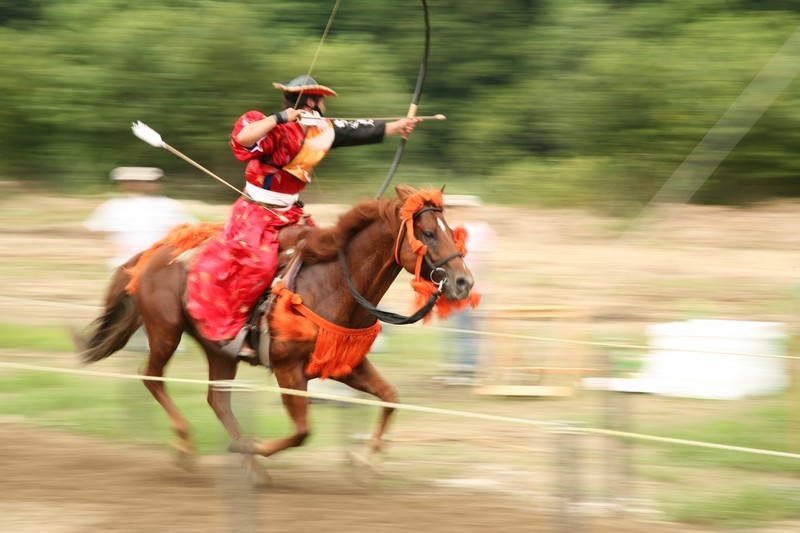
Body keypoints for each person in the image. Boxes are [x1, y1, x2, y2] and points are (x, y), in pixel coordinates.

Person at [186, 75, 420, 359]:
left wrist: (397, 126)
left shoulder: (320, 131)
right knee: (260, 265)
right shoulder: (270, 126)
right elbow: (242, 139)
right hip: (257, 212)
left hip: (292, 213)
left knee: (327, 254)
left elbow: (357, 129)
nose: (324, 107)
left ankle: (314, 325)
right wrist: (282, 117)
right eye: (320, 101)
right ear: (311, 101)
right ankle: (241, 330)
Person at [85, 166, 198, 269]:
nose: (137, 184)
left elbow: (190, 230)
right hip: (125, 260)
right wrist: (113, 245)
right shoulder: (112, 206)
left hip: (160, 262)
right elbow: (97, 229)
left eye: (149, 181)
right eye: (131, 181)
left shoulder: (171, 206)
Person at [436, 195, 496, 385]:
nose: (451, 211)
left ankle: (468, 371)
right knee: (457, 329)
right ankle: (460, 368)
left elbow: (480, 261)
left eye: (455, 208)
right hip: (453, 289)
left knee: (467, 329)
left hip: (472, 289)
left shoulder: (479, 230)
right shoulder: (450, 229)